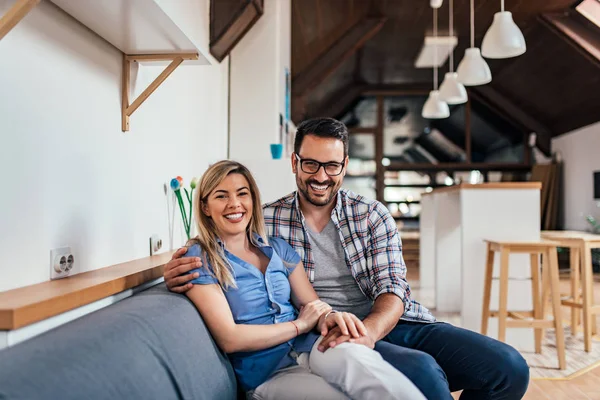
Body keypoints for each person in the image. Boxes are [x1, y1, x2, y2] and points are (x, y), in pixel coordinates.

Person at [165, 118, 530, 400]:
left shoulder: (371, 214)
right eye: (310, 165)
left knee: (509, 368)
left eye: (332, 166)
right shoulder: (266, 221)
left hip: (389, 321)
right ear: (295, 162)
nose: (321, 177)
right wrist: (174, 270)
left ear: (344, 165)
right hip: (325, 332)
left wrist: (368, 332)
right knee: (423, 372)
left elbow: (392, 287)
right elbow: (220, 240)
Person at [181, 159, 425, 400]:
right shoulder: (200, 258)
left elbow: (313, 305)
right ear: (205, 207)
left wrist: (331, 317)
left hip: (312, 345)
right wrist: (299, 325)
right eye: (221, 196)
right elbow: (230, 338)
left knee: (369, 369)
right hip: (268, 373)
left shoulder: (278, 248)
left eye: (242, 194)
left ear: (252, 199)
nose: (234, 204)